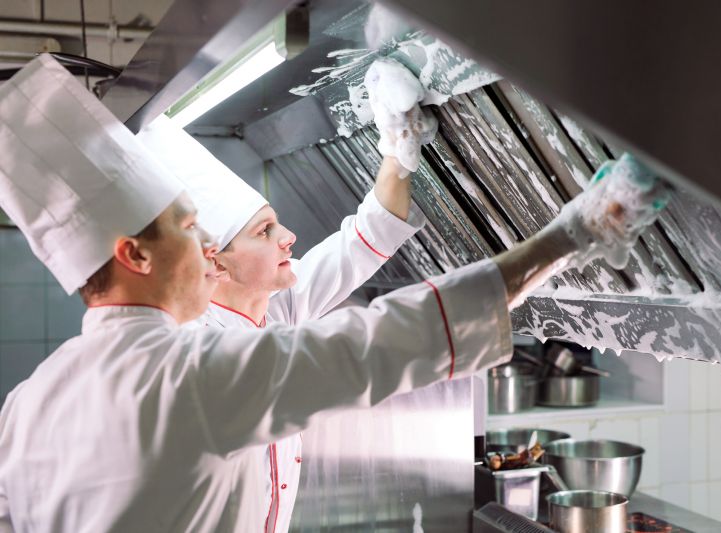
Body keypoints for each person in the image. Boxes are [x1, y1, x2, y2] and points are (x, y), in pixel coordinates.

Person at [0, 54, 670, 532]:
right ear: (134, 254)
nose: (202, 246)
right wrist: (576, 231)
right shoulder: (186, 375)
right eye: (187, 229)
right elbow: (383, 342)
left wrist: (398, 147)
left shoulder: (28, 402)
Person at [136, 111, 428, 533]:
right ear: (216, 263)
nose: (288, 237)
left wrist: (398, 149)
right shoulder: (193, 350)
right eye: (265, 231)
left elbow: (368, 236)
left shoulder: (278, 306)